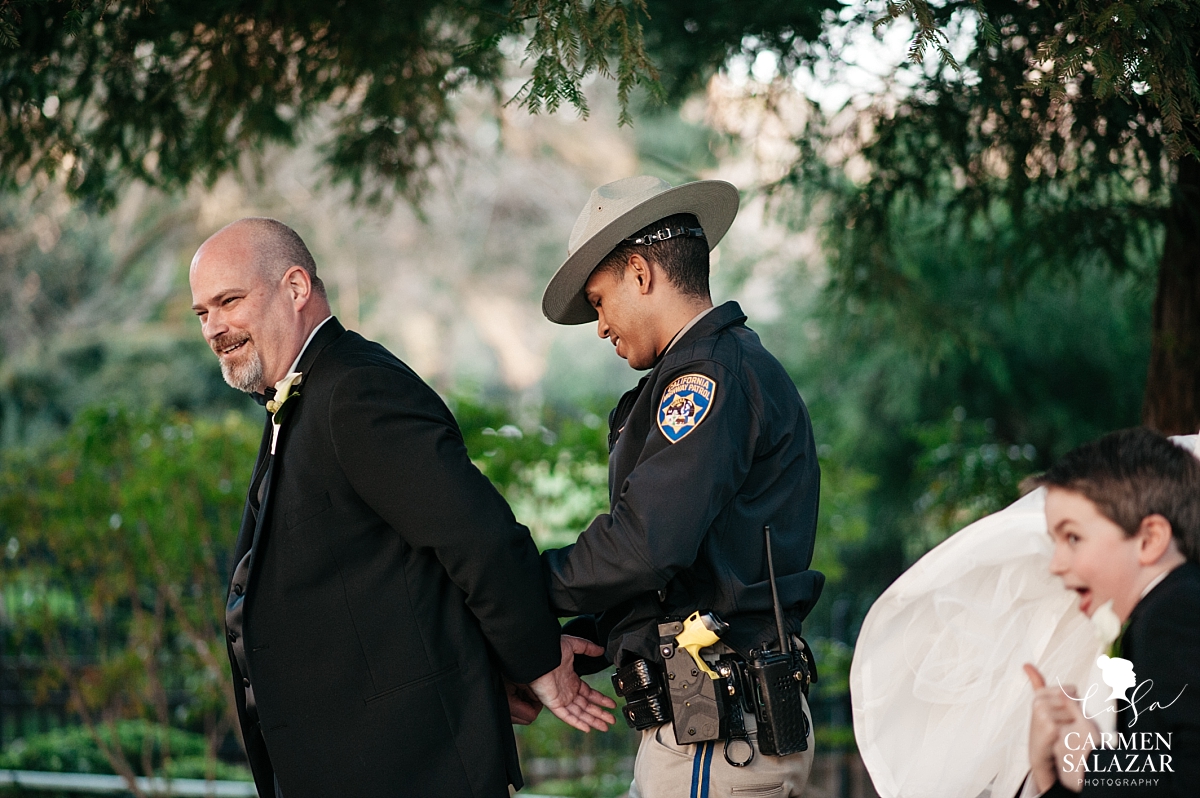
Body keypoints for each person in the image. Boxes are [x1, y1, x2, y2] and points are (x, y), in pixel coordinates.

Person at [188, 218, 615, 798]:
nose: (214, 327)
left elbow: (476, 538)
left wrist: (537, 661)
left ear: (295, 288)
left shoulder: (356, 391)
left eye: (228, 301)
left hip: (410, 771)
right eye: (202, 314)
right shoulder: (303, 398)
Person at [532, 175, 825, 797]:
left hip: (716, 741)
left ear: (640, 272)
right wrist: (579, 642)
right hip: (717, 733)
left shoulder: (706, 378)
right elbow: (685, 571)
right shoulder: (726, 367)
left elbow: (644, 545)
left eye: (600, 299)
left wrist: (516, 584)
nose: (601, 325)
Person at [1024, 428, 1200, 796]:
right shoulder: (1162, 612)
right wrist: (1050, 772)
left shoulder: (1173, 614)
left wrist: (1091, 765)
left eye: (1072, 537)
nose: (1056, 564)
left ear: (1150, 539)